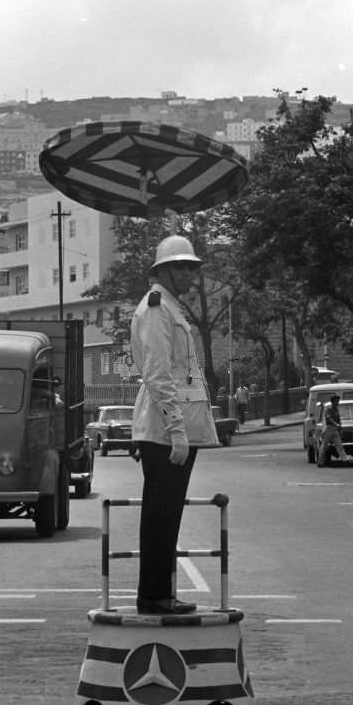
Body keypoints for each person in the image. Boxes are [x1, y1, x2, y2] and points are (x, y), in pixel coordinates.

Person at [130, 235, 219, 615]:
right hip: (164, 431)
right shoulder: (156, 309)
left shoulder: (171, 308)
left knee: (168, 517)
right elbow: (157, 373)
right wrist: (177, 430)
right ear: (162, 270)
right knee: (160, 516)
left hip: (173, 430)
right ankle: (153, 596)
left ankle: (161, 592)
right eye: (182, 267)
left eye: (192, 267)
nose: (189, 274)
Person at [317, 393, 350, 467]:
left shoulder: (336, 410)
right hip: (329, 428)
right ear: (332, 402)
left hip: (335, 430)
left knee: (339, 445)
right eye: (336, 401)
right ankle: (320, 462)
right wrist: (336, 424)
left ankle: (345, 460)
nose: (337, 403)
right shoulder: (328, 410)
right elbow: (329, 418)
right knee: (324, 446)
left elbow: (338, 420)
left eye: (338, 401)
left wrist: (340, 428)